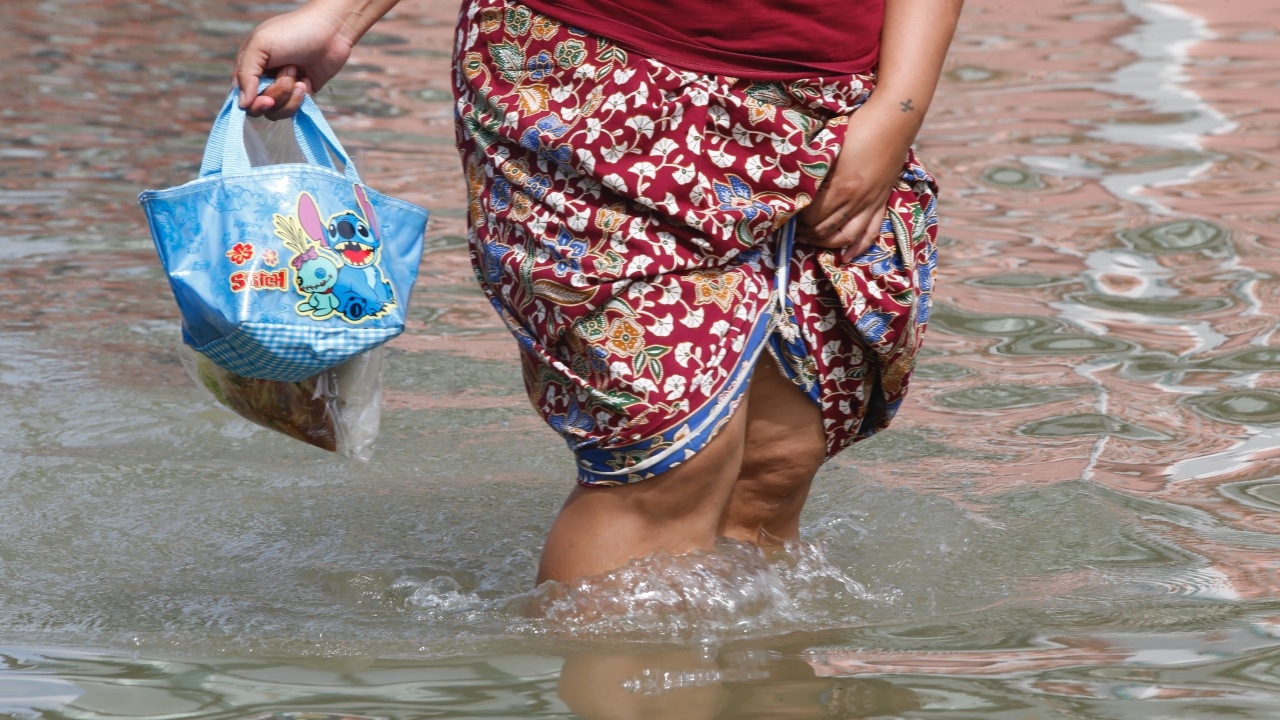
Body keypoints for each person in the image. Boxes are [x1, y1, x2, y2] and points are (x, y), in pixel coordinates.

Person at [234, 0, 963, 586]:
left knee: (774, 465)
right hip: (586, 82)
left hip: (830, 105)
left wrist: (899, 106)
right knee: (667, 455)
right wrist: (343, 14)